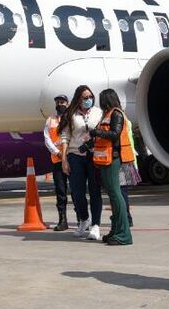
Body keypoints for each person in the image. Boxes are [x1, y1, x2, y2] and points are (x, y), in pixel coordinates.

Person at [88, 89, 135, 246]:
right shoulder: (107, 115)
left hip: (114, 160)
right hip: (106, 159)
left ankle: (124, 234)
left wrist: (97, 131)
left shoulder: (116, 114)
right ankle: (116, 230)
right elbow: (103, 137)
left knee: (115, 194)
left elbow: (114, 134)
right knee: (113, 195)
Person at [58, 85, 103, 241]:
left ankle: (96, 225)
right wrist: (64, 159)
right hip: (75, 155)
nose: (88, 100)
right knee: (77, 192)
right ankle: (84, 219)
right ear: (78, 99)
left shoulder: (98, 113)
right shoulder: (71, 115)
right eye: (85, 97)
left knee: (95, 190)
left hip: (93, 155)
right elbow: (65, 138)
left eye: (90, 97)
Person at [43, 94, 70, 231]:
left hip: (72, 158)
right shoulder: (50, 120)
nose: (61, 104)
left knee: (78, 190)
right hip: (57, 160)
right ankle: (63, 220)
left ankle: (81, 219)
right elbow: (47, 139)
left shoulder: (72, 118)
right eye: (58, 102)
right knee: (60, 191)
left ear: (68, 103)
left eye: (63, 102)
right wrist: (57, 152)